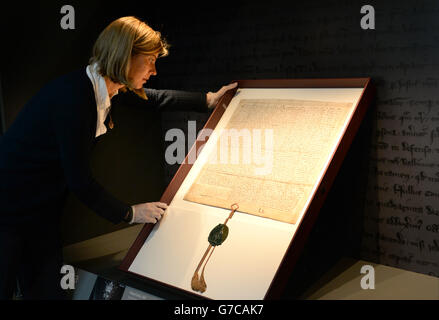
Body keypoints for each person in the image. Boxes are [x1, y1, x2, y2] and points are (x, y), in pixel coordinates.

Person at [0, 16, 237, 300]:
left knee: (46, 291)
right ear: (126, 57)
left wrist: (208, 100)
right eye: (149, 60)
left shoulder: (104, 86)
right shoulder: (74, 97)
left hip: (40, 212)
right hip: (8, 210)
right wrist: (130, 213)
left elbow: (155, 98)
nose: (153, 70)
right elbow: (79, 180)